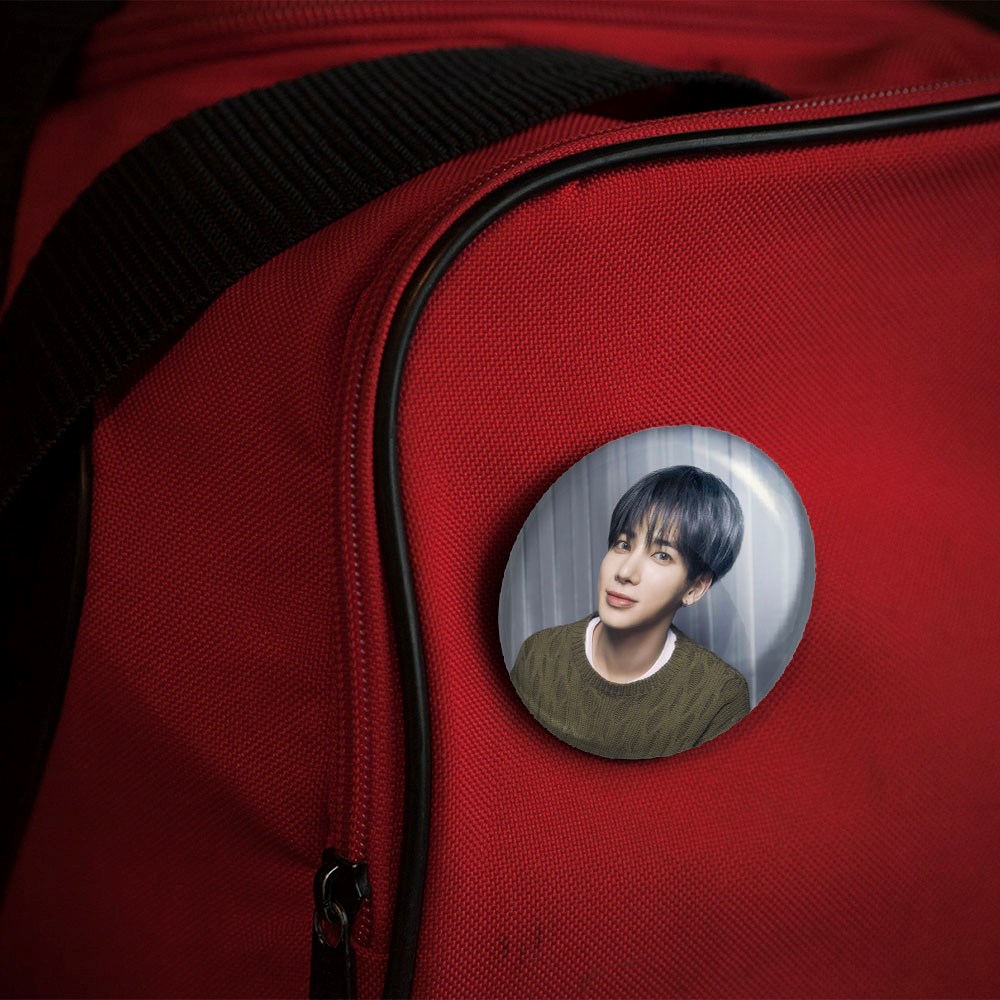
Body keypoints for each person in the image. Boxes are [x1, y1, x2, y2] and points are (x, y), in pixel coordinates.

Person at [511, 465, 749, 759]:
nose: (625, 572)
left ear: (695, 588)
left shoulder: (719, 697)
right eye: (623, 544)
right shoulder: (539, 655)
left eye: (662, 555)